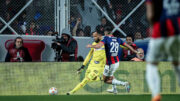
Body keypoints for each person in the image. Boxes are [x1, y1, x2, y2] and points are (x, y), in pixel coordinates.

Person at [87, 28, 140, 94]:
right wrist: (135, 51)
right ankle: (114, 89)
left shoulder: (106, 38)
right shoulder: (118, 39)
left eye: (105, 33)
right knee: (111, 76)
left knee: (105, 80)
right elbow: (128, 46)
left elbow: (98, 46)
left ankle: (124, 84)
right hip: (116, 62)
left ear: (106, 33)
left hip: (110, 64)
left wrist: (91, 46)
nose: (104, 34)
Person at [145, 0, 180, 101]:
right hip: (177, 30)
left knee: (152, 64)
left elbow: (150, 15)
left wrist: (152, 26)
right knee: (177, 63)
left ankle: (156, 94)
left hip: (159, 29)